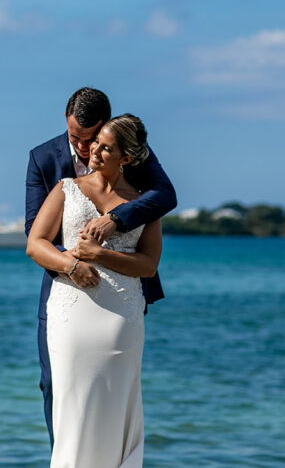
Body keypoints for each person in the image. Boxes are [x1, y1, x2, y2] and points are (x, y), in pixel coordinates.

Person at [25, 87, 176, 446]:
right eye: (74, 137)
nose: (83, 147)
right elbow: (35, 235)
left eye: (91, 139)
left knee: (113, 391)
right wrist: (73, 264)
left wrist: (117, 220)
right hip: (67, 299)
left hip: (122, 303)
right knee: (57, 388)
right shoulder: (43, 159)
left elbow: (164, 197)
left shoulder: (132, 154)